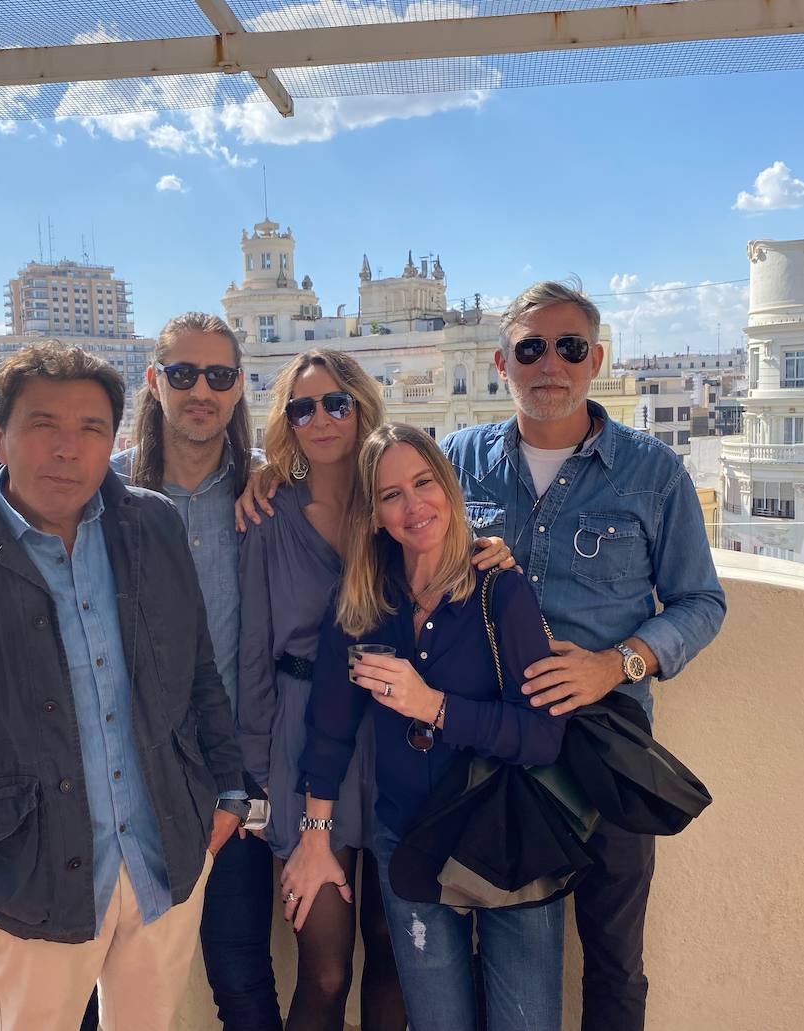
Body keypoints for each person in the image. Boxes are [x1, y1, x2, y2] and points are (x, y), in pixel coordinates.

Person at [0, 342, 244, 1031]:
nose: (69, 449)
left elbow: (198, 676)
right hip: (25, 894)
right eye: (44, 425)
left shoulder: (154, 527)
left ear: (114, 441)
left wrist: (227, 797)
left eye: (92, 428)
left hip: (165, 870)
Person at [441, 281, 727, 1031]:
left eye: (569, 347)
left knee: (612, 951)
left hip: (607, 744)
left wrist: (618, 663)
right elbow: (387, 528)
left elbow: (702, 602)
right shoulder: (460, 460)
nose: (550, 364)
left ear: (596, 359)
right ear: (503, 361)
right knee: (483, 930)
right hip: (491, 738)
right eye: (530, 348)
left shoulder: (651, 471)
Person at [237, 350, 515, 1031]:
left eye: (336, 401)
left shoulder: (395, 506)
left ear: (362, 406)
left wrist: (492, 549)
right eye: (302, 407)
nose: (321, 418)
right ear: (287, 422)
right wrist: (257, 783)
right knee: (326, 966)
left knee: (395, 954)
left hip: (398, 736)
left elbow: (445, 550)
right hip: (307, 747)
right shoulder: (268, 514)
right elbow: (252, 659)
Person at [284, 422, 570, 1031]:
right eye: (391, 495)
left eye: (424, 482)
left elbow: (543, 737)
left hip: (505, 836)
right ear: (375, 514)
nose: (414, 506)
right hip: (408, 836)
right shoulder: (364, 598)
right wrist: (314, 837)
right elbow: (330, 728)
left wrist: (434, 706)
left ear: (449, 486)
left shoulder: (500, 589)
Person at [112, 312, 281, 1031]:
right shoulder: (106, 493)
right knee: (98, 980)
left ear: (239, 387)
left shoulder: (265, 494)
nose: (200, 390)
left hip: (231, 778)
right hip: (124, 782)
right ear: (155, 382)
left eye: (218, 375)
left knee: (242, 977)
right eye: (183, 374)